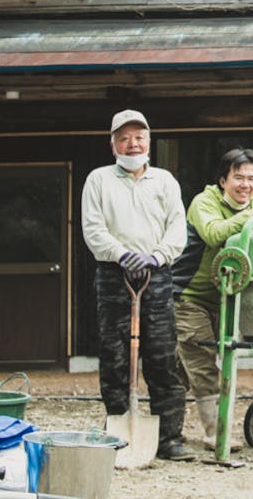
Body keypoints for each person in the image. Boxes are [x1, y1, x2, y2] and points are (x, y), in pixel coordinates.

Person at [81, 109, 191, 460]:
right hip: (114, 276)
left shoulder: (165, 181)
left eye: (139, 137)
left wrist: (157, 256)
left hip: (156, 276)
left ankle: (169, 437)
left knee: (162, 356)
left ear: (149, 142)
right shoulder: (98, 179)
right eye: (124, 138)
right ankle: (119, 428)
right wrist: (121, 253)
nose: (132, 144)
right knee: (115, 357)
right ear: (112, 144)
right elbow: (93, 228)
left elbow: (177, 227)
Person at [171, 147, 253, 450]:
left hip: (228, 297)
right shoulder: (203, 202)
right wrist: (251, 217)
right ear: (223, 180)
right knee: (201, 361)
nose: (245, 185)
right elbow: (213, 233)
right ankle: (215, 434)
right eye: (238, 178)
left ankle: (165, 429)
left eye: (252, 179)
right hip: (188, 295)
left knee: (179, 366)